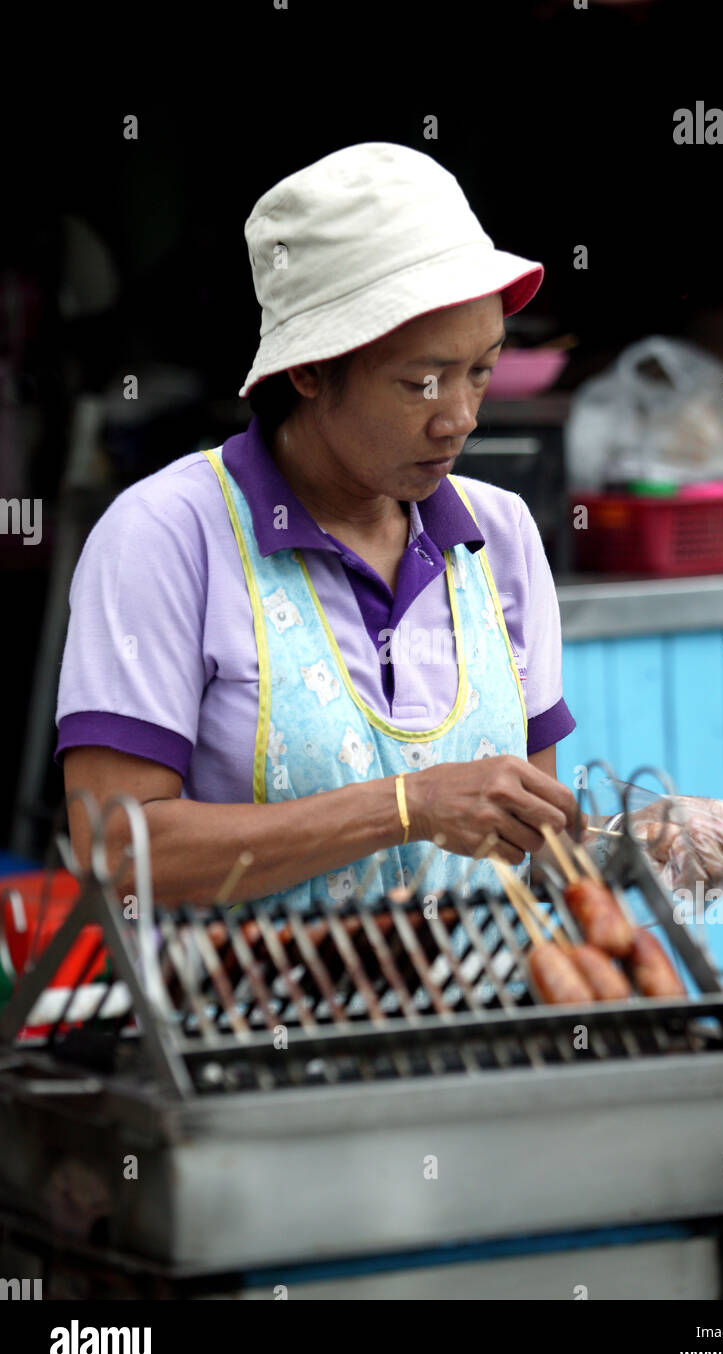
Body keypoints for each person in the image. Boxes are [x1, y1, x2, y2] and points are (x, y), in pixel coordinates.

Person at [55, 142, 581, 911]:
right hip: (241, 1024)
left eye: (481, 371)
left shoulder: (495, 534)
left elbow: (533, 833)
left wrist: (653, 836)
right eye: (420, 383)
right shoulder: (167, 537)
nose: (459, 419)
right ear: (307, 369)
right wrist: (404, 808)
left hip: (490, 1022)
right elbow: (118, 850)